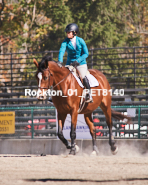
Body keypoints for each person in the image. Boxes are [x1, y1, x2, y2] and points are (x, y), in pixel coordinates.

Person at [48, 23, 93, 103]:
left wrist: (78, 61)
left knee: (83, 76)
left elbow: (86, 53)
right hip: (70, 64)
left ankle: (89, 94)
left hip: (81, 63)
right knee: (60, 76)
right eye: (67, 32)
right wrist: (60, 61)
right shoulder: (65, 42)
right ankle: (53, 95)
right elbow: (62, 51)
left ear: (74, 33)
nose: (67, 34)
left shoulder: (81, 41)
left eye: (69, 32)